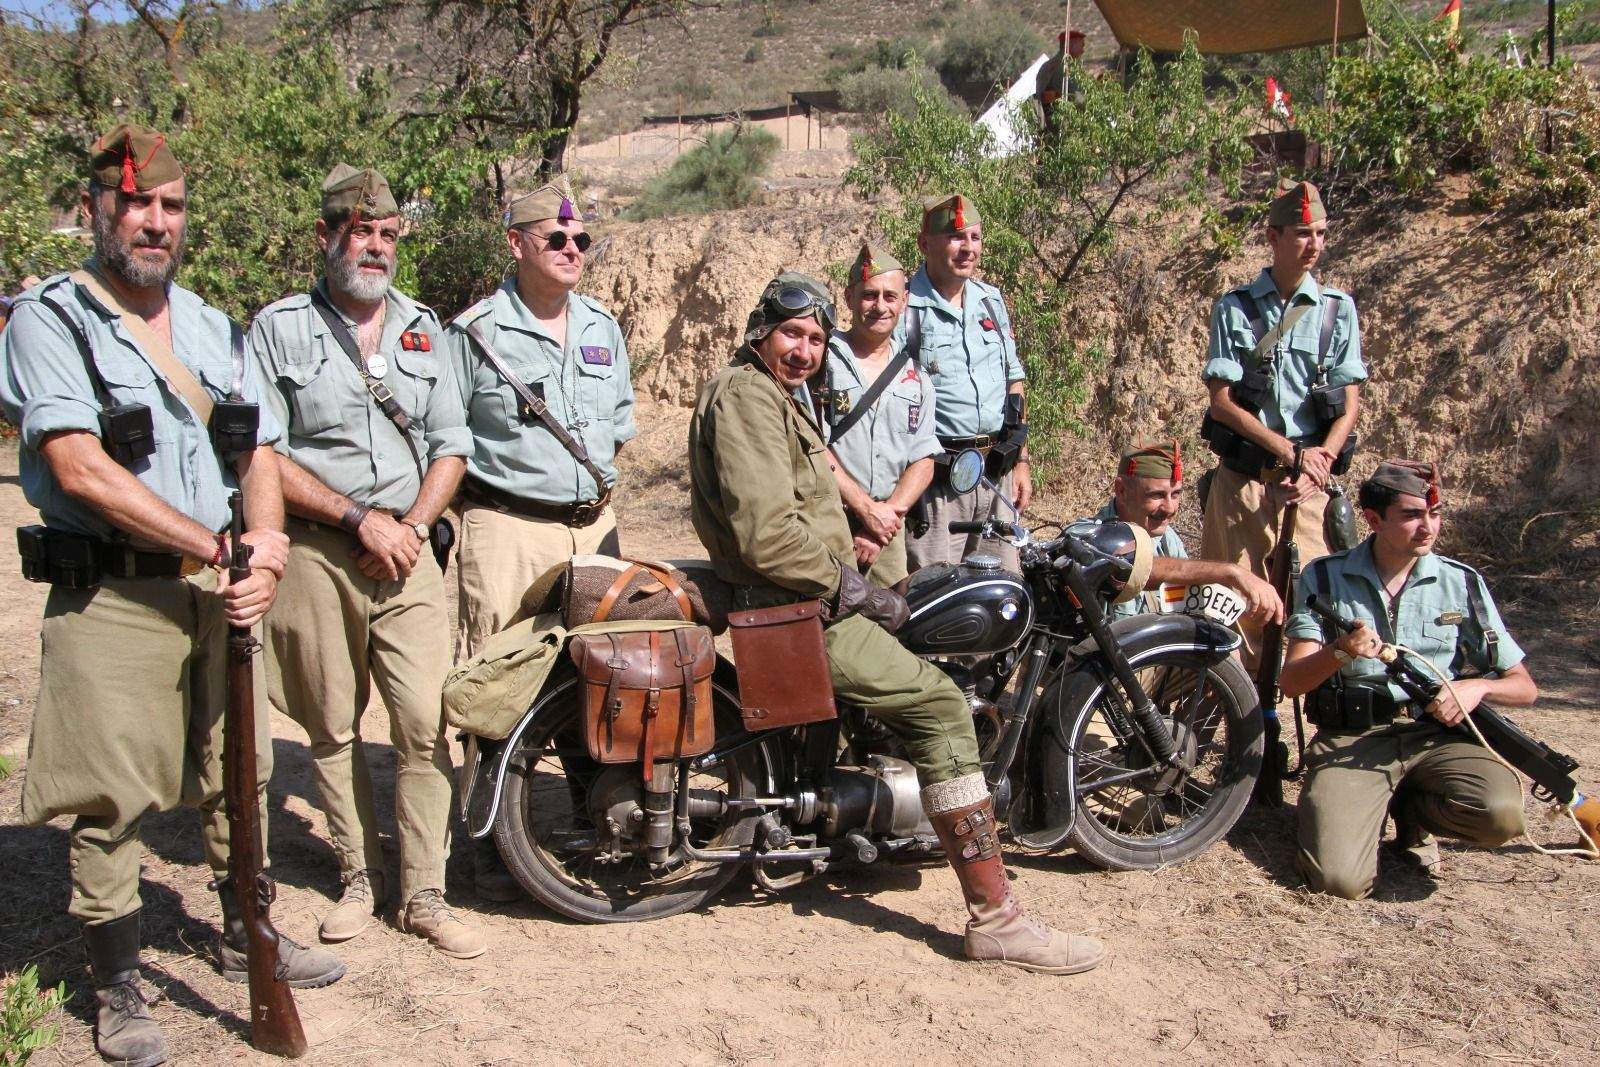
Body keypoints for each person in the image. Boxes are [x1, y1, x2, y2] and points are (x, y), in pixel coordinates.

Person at [0, 124, 344, 1066]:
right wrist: (216, 546)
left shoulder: (210, 326)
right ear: (94, 210)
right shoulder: (51, 319)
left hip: (220, 588)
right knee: (112, 791)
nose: (155, 221)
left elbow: (256, 450)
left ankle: (247, 932)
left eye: (171, 205)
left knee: (244, 769)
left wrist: (264, 549)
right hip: (118, 590)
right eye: (136, 203)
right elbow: (78, 466)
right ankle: (117, 980)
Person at [688, 271, 1103, 975]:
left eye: (817, 338)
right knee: (942, 708)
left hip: (803, 593)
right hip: (795, 607)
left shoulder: (776, 395)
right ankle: (996, 919)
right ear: (761, 330)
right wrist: (850, 587)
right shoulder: (748, 396)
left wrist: (856, 565)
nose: (805, 349)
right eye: (792, 333)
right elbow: (764, 534)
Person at [249, 165, 483, 957]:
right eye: (360, 232)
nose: (375, 247)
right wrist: (358, 518)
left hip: (408, 555)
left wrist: (413, 525)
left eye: (386, 234)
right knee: (331, 724)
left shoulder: (424, 327)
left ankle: (423, 892)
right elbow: (264, 452)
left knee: (423, 719)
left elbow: (454, 442)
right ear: (326, 238)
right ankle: (359, 876)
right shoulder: (279, 329)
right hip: (321, 554)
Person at [446, 174, 635, 898]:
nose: (571, 248)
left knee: (599, 673)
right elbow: (449, 435)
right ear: (516, 244)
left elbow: (618, 423)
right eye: (555, 238)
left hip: (592, 526)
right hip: (506, 525)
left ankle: (593, 817)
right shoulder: (475, 334)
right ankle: (487, 839)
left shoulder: (601, 327)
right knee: (500, 678)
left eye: (580, 238)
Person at [1279, 460, 1532, 899]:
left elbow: (1524, 686)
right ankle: (1369, 804)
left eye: (1434, 513)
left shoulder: (1461, 582)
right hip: (1355, 737)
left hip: (1437, 737)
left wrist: (1477, 687)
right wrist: (1340, 652)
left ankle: (1410, 811)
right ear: (1373, 520)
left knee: (1502, 816)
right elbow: (1292, 681)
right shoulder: (1324, 577)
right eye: (1412, 515)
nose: (1427, 527)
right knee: (1337, 882)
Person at [1199, 179, 1365, 671]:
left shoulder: (1337, 309)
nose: (1313, 245)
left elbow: (1349, 403)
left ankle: (1311, 735)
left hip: (1308, 490)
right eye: (1301, 233)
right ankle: (1206, 728)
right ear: (1272, 237)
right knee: (1223, 613)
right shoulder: (1237, 308)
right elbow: (1223, 404)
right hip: (1245, 485)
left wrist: (1318, 466)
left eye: (1320, 233)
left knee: (1315, 617)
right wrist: (1293, 454)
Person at [899, 193, 1031, 573]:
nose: (967, 248)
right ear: (925, 244)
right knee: (934, 597)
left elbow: (1014, 383)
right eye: (956, 238)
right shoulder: (905, 309)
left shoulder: (991, 301)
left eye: (974, 238)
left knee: (1002, 591)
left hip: (996, 478)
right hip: (938, 486)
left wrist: (1021, 461)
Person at [819, 241, 938, 586]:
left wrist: (882, 520)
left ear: (904, 301)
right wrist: (864, 509)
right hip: (831, 523)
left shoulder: (916, 376)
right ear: (849, 297)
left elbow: (924, 459)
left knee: (891, 627)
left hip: (888, 533)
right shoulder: (822, 360)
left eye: (890, 296)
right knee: (830, 631)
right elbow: (812, 445)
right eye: (870, 295)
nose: (880, 306)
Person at [1086, 439, 1280, 623]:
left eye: (1176, 494)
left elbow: (1188, 600)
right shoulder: (1091, 538)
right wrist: (1231, 572)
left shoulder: (1166, 539)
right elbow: (1135, 567)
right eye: (1157, 495)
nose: (1170, 508)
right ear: (1121, 490)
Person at [1034, 29, 1087, 136]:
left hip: (1052, 129)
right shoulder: (1062, 67)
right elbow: (1077, 98)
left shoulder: (1051, 65)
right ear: (1071, 44)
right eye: (1082, 45)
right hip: (1061, 129)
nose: (1083, 50)